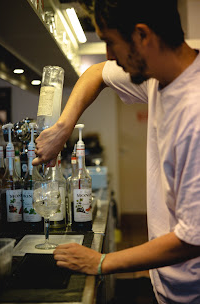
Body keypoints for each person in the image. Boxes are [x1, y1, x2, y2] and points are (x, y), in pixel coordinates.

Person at [33, 0, 200, 303]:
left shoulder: (195, 112)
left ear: (142, 36)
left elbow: (193, 238)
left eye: (110, 42)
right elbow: (96, 73)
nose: (109, 55)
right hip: (169, 283)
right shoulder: (158, 78)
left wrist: (100, 262)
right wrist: (62, 129)